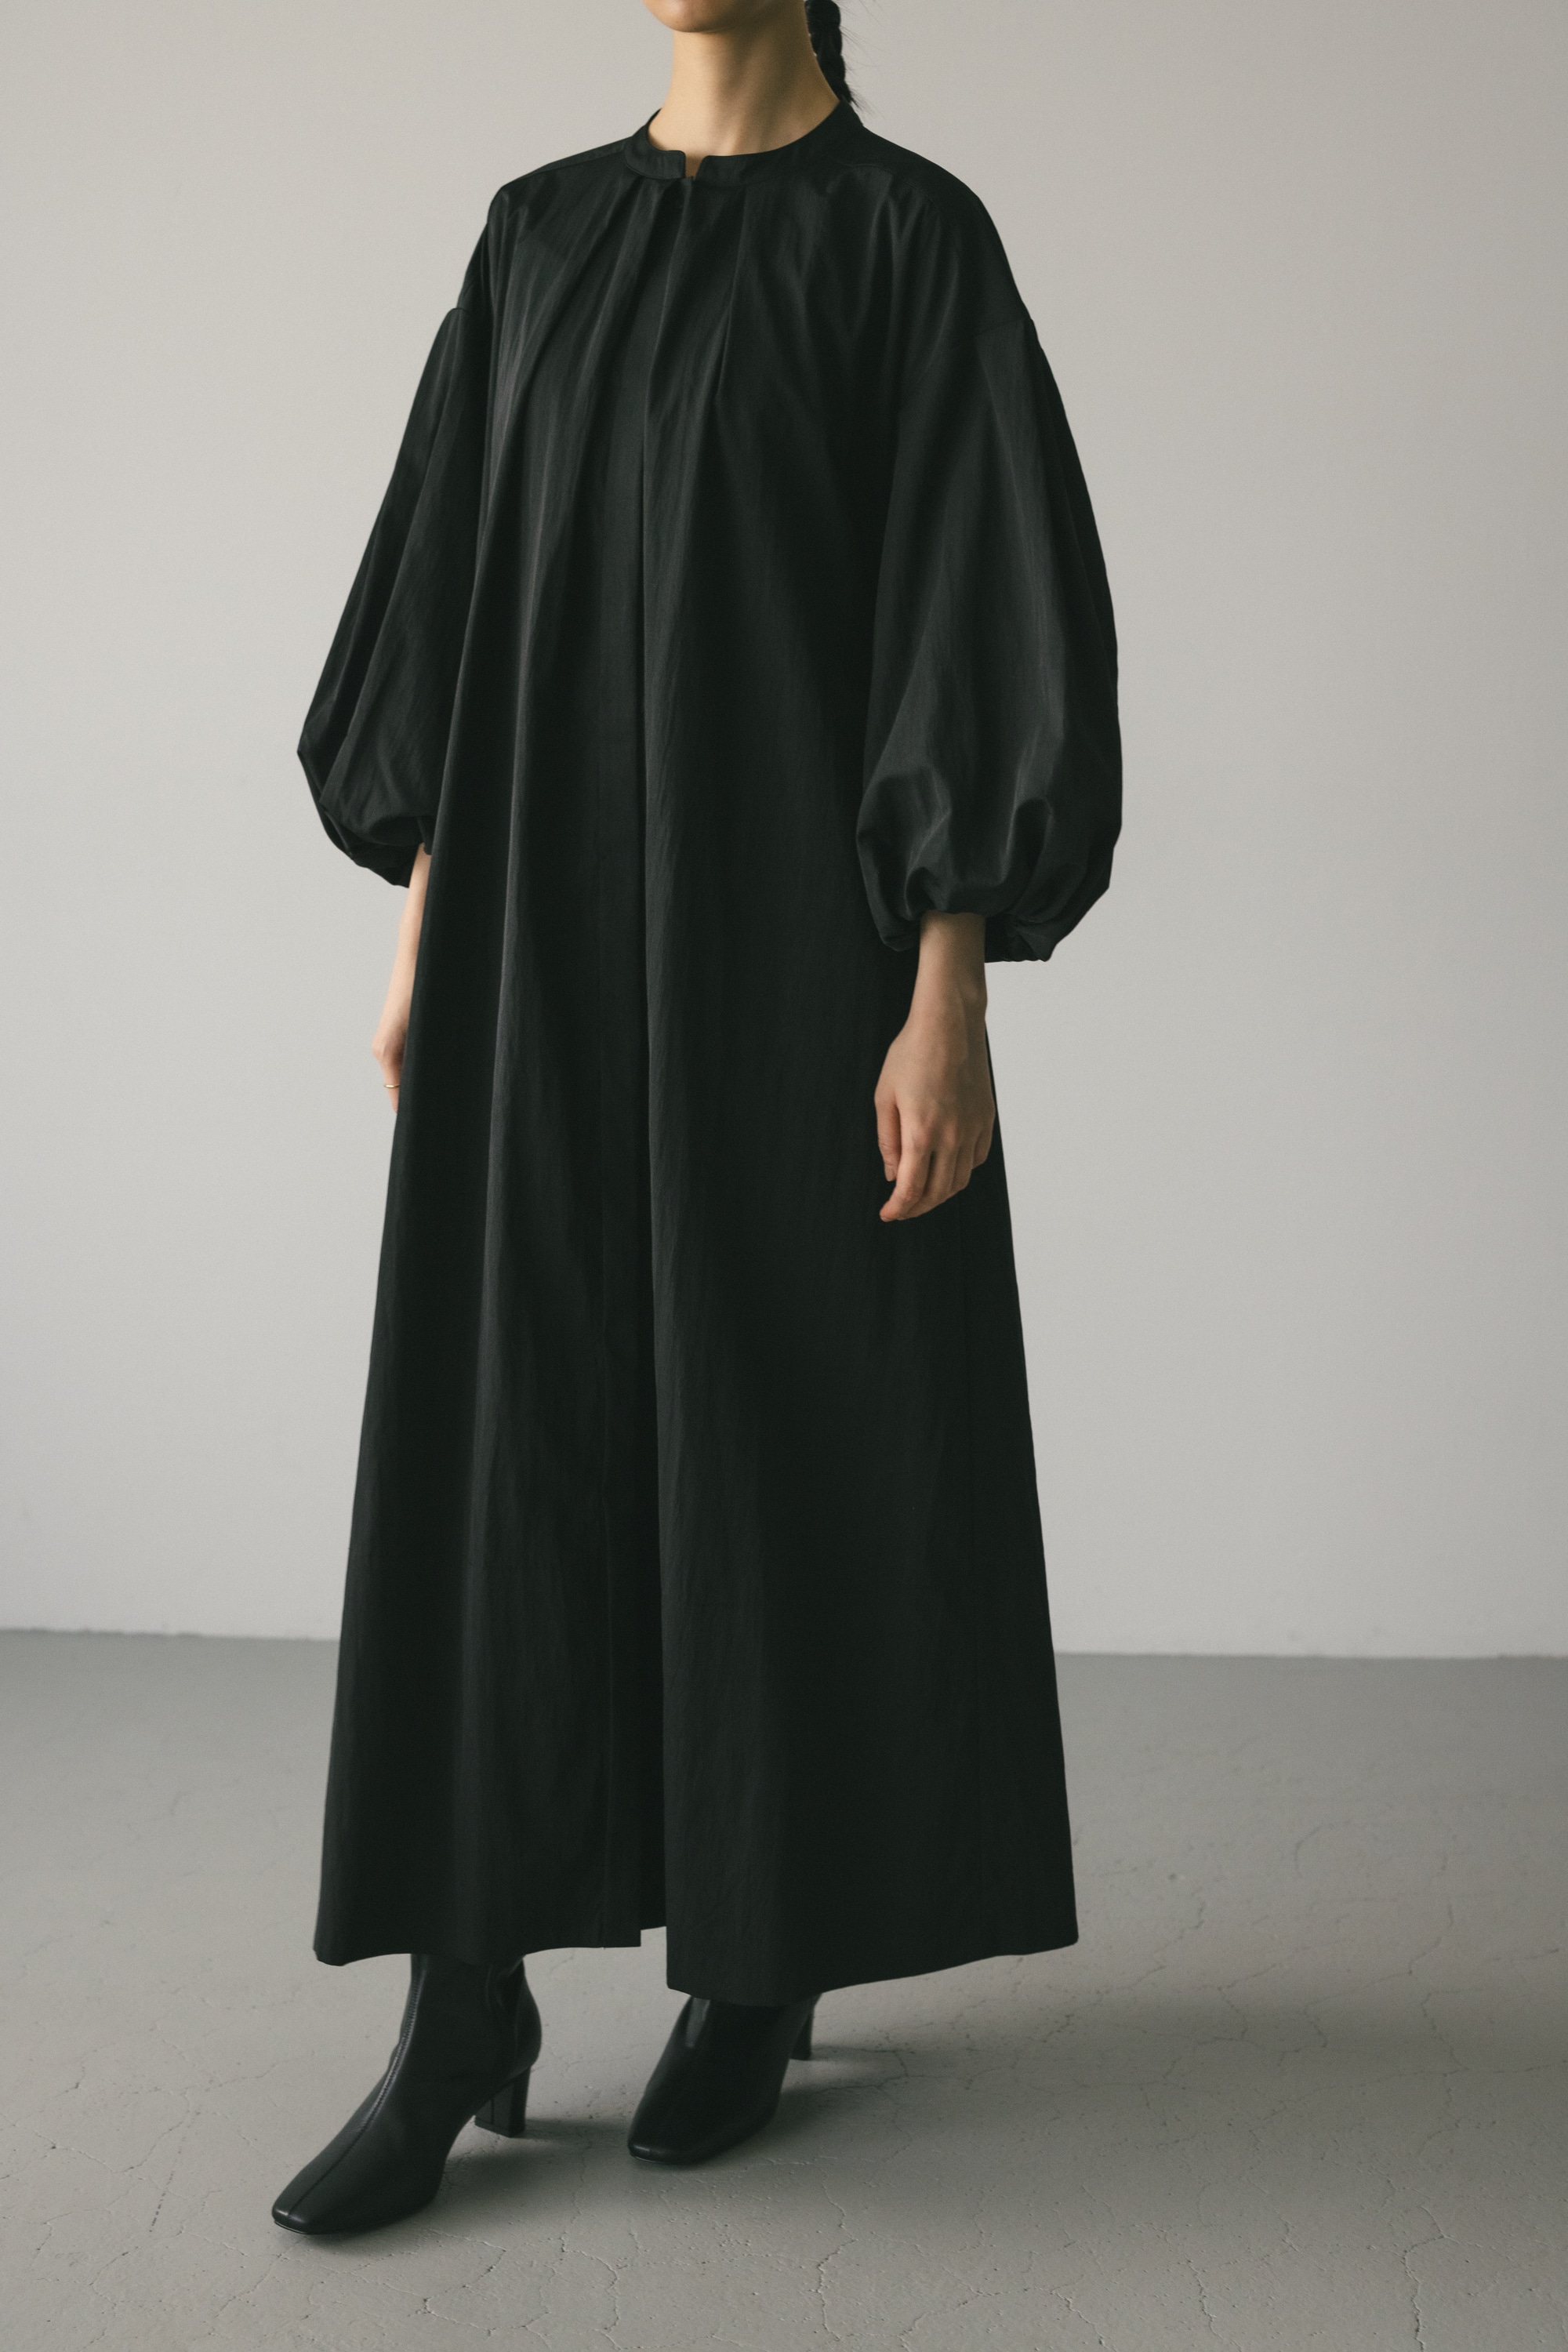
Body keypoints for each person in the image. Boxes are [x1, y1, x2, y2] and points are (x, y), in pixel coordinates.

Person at [273, 0, 1120, 2238]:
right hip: (535, 947)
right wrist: (424, 936)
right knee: (506, 1443)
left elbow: (969, 613)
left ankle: (759, 1956)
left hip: (793, 957)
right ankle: (459, 2013)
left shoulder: (908, 244)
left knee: (775, 1440)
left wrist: (948, 990)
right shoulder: (535, 239)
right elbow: (459, 604)